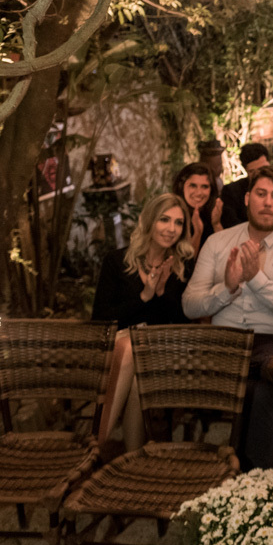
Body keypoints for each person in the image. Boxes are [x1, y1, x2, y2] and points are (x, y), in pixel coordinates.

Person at [182, 166, 273, 470]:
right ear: (247, 199)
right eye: (260, 194)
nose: (267, 202)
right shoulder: (218, 243)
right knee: (262, 385)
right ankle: (257, 478)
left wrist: (255, 278)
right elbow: (189, 306)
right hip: (226, 343)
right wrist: (227, 288)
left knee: (262, 385)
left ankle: (247, 474)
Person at [92, 193, 194, 450]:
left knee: (133, 357)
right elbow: (101, 318)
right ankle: (130, 455)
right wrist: (144, 296)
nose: (171, 229)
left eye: (179, 223)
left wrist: (161, 294)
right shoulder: (116, 262)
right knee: (131, 360)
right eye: (164, 220)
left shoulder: (182, 266)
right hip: (117, 346)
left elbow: (182, 321)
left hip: (162, 348)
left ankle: (95, 445)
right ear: (149, 221)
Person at [173, 162, 223, 255]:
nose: (199, 192)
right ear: (181, 186)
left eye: (204, 187)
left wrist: (216, 224)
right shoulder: (172, 214)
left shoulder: (217, 212)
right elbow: (186, 265)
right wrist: (198, 233)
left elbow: (226, 255)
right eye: (193, 186)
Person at [220, 142, 270, 228]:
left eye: (263, 169)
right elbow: (231, 225)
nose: (260, 174)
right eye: (253, 172)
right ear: (246, 171)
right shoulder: (231, 192)